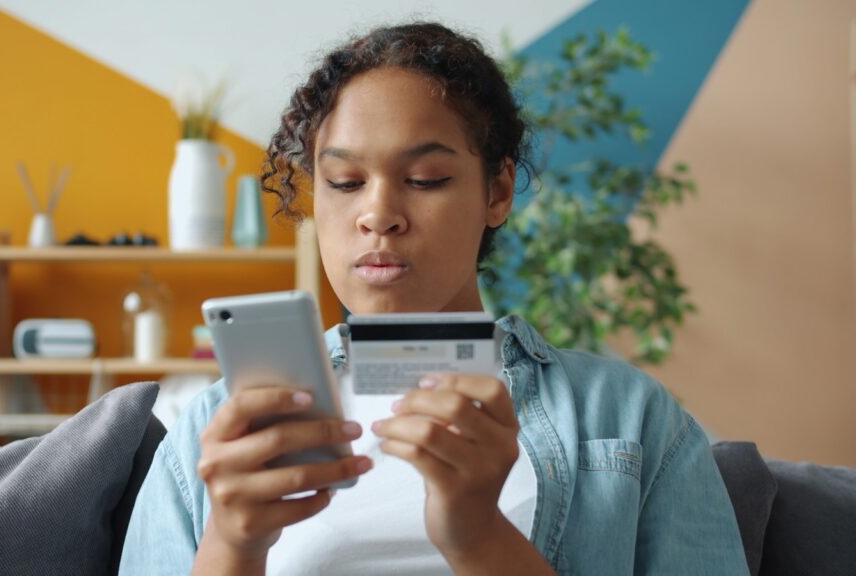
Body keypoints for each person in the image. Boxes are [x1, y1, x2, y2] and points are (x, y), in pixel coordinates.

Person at [120, 22, 748, 575]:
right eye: (343, 182)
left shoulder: (631, 421)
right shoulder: (212, 431)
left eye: (425, 179)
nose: (379, 214)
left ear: (497, 191)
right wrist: (233, 543)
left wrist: (476, 536)